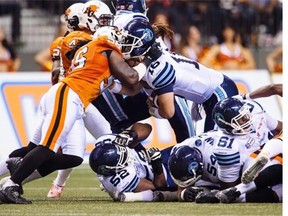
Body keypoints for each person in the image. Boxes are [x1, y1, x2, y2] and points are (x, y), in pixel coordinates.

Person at [0, 1, 142, 204]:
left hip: (73, 99)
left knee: (71, 156)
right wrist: (143, 61)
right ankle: (13, 182)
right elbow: (130, 77)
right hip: (68, 94)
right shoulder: (95, 43)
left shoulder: (97, 47)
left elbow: (130, 87)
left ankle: (18, 171)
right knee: (47, 147)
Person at [116, 19, 239, 132]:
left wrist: (154, 110)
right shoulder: (152, 54)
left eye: (129, 41)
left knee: (213, 145)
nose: (125, 44)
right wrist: (111, 85)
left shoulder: (158, 69)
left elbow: (168, 112)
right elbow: (135, 86)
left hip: (218, 91)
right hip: (209, 93)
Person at [89, 123, 179, 202]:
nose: (126, 155)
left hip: (162, 156)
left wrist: (130, 135)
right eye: (121, 159)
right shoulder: (121, 181)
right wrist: (157, 165)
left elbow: (147, 128)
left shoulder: (108, 141)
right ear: (113, 170)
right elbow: (158, 189)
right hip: (163, 175)